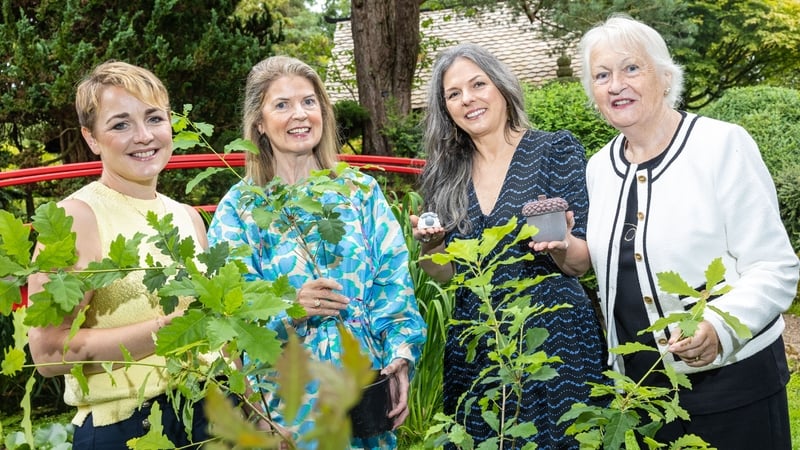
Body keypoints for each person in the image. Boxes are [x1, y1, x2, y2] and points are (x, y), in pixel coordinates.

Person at [579, 15, 799, 449]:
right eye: (602, 75)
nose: (616, 84)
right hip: (642, 397)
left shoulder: (721, 145)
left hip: (734, 389)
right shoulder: (599, 167)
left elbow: (775, 267)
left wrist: (718, 326)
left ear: (664, 77)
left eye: (631, 68)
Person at [206, 55, 427, 449]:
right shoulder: (240, 208)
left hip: (365, 388)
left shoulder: (360, 193)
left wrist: (400, 358)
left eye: (309, 102)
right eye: (282, 105)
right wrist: (289, 306)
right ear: (258, 122)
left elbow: (393, 284)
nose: (300, 115)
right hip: (287, 401)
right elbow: (231, 315)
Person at [413, 43, 607, 449]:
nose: (468, 99)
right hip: (477, 338)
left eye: (478, 84)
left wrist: (560, 244)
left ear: (501, 87)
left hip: (554, 339)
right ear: (445, 108)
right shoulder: (444, 174)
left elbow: (580, 263)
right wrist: (432, 247)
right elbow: (445, 273)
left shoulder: (555, 150)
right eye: (454, 93)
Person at [27, 61, 211, 448]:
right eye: (120, 124)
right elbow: (47, 353)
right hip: (128, 427)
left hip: (211, 415)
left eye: (154, 118)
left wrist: (249, 412)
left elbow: (218, 333)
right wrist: (165, 332)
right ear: (91, 138)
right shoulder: (75, 219)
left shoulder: (189, 217)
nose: (144, 136)